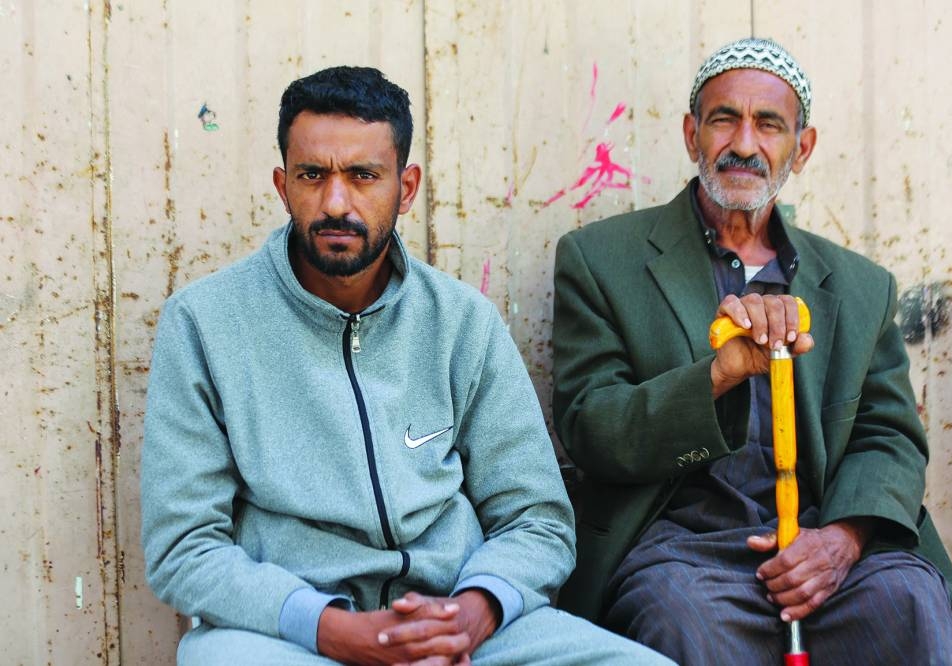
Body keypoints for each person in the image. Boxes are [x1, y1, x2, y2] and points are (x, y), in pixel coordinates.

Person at [141, 66, 673, 666]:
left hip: (462, 627)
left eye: (364, 176)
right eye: (312, 175)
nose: (335, 202)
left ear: (407, 186)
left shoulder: (461, 322)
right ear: (282, 185)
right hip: (292, 636)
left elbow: (538, 518)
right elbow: (184, 548)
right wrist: (332, 629)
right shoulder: (205, 323)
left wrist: (472, 613)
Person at [552, 38, 952, 665]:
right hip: (679, 549)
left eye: (769, 124)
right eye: (724, 118)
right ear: (691, 134)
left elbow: (888, 440)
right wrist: (717, 377)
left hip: (822, 542)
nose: (745, 144)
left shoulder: (860, 287)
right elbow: (592, 428)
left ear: (800, 148)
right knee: (679, 617)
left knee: (912, 600)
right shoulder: (601, 260)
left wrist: (842, 539)